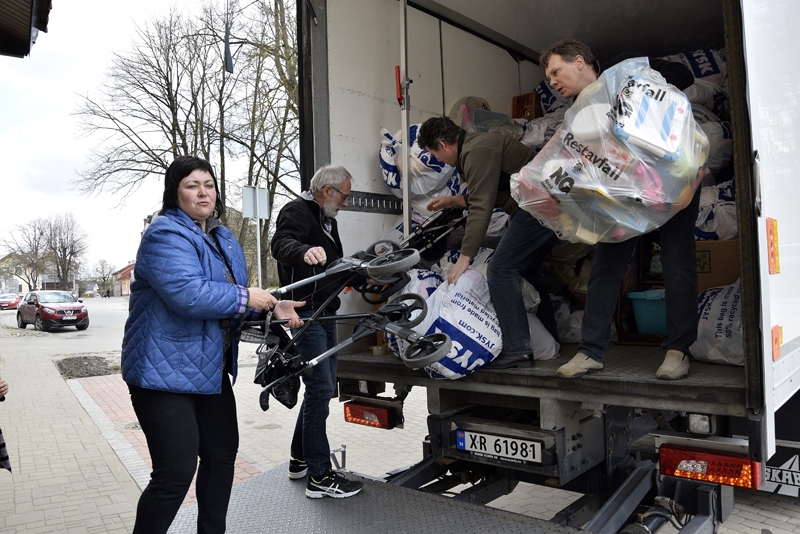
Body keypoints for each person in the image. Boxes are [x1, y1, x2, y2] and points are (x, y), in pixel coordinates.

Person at [121, 155, 305, 534]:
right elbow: (188, 294)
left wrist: (270, 307)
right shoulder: (164, 235)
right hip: (162, 375)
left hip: (209, 371)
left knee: (221, 459)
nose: (202, 192)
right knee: (175, 474)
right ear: (175, 193)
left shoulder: (222, 239)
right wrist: (246, 298)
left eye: (208, 184)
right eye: (192, 185)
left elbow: (231, 302)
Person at [539, 39, 700, 380]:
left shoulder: (622, 68)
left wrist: (636, 87)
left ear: (579, 61)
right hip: (626, 193)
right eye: (548, 76)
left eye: (556, 71)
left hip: (673, 180)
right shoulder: (576, 114)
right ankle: (590, 352)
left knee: (677, 263)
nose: (552, 81)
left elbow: (681, 75)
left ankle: (678, 351)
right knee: (606, 265)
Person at [417, 116, 559, 369]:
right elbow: (490, 192)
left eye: (435, 155)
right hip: (543, 208)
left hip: (538, 209)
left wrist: (464, 258)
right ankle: (551, 337)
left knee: (500, 270)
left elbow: (481, 206)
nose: (439, 160)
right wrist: (452, 202)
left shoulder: (476, 150)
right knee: (528, 271)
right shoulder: (476, 146)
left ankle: (518, 349)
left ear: (443, 144)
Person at [271, 164, 364, 499]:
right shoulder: (297, 211)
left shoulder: (328, 221)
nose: (346, 202)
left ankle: (299, 460)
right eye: (344, 195)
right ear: (327, 191)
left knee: (320, 391)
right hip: (305, 316)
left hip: (325, 315)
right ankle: (320, 478)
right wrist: (303, 251)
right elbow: (281, 244)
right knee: (320, 389)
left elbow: (334, 266)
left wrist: (366, 280)